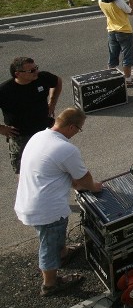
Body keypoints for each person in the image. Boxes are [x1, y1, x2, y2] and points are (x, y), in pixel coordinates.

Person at [15, 107, 102, 297]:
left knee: (53, 237)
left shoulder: (39, 137)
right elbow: (84, 177)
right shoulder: (65, 148)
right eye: (79, 129)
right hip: (47, 209)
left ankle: (63, 254)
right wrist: (95, 187)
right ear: (71, 127)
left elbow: (52, 171)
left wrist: (75, 184)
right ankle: (50, 284)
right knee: (49, 245)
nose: (77, 133)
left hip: (28, 201)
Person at [1, 58, 61, 175]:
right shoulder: (5, 90)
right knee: (23, 170)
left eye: (36, 68)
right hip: (21, 136)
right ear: (17, 74)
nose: (36, 72)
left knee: (49, 163)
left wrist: (52, 102)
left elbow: (58, 82)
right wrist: (1, 128)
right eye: (31, 70)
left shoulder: (43, 78)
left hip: (45, 130)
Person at [97, 0, 133, 86]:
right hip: (124, 31)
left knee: (113, 56)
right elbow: (131, 12)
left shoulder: (101, 1)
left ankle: (111, 79)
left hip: (111, 30)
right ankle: (128, 80)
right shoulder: (119, 2)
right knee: (127, 56)